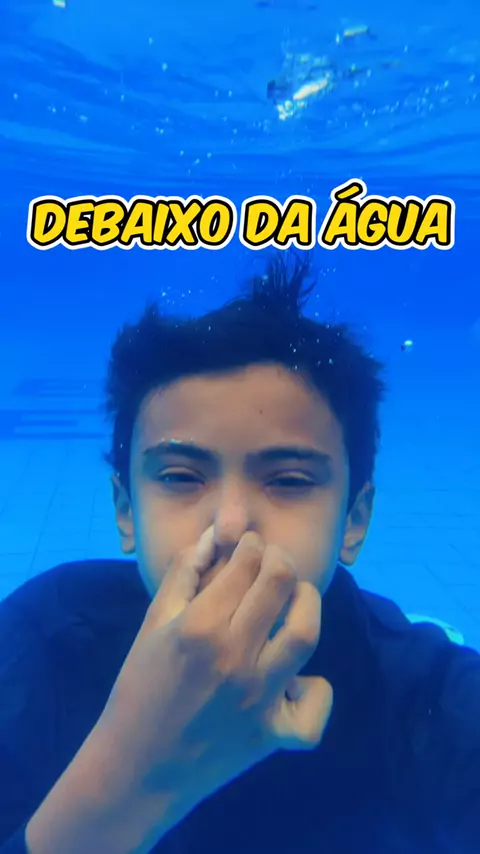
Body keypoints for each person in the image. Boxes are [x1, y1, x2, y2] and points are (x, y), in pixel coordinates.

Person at [0, 254, 478, 854]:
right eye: (180, 476)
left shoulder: (432, 703)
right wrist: (131, 776)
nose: (229, 527)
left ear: (354, 521)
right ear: (125, 512)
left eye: (289, 480)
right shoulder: (41, 647)